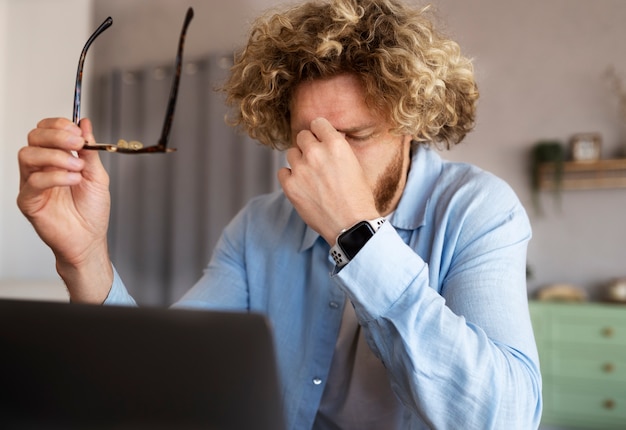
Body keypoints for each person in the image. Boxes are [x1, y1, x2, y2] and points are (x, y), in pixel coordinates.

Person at [18, 0, 542, 428]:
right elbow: (157, 377)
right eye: (308, 139)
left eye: (355, 137)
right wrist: (85, 258)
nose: (326, 161)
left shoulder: (480, 211)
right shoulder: (258, 228)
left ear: (411, 122)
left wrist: (357, 235)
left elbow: (506, 418)